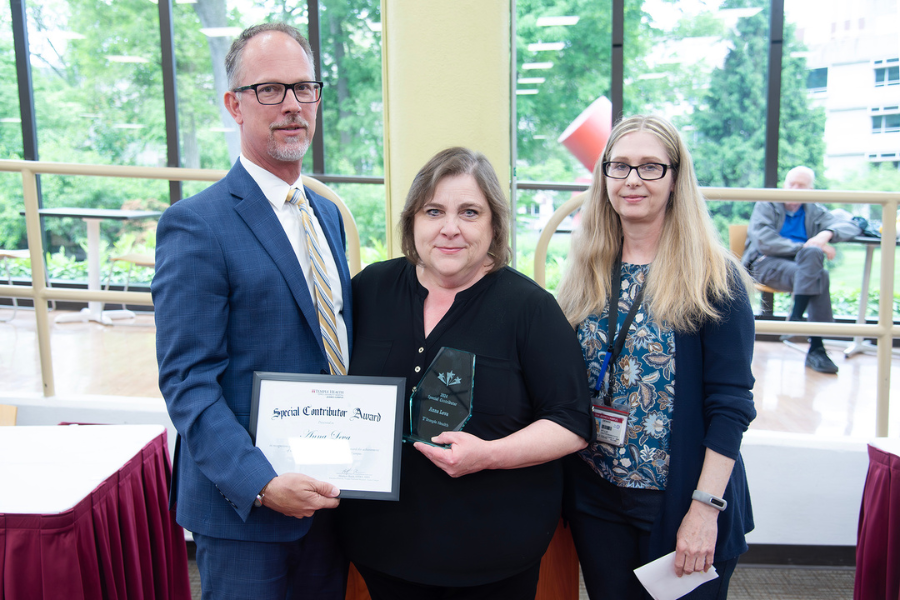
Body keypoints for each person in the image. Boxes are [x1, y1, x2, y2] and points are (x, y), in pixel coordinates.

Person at [336, 147, 591, 600]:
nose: (450, 227)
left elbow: (571, 423)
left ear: (493, 225)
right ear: (412, 222)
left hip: (490, 559)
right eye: (434, 211)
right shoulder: (371, 289)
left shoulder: (529, 309)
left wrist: (489, 454)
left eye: (469, 212)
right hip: (380, 548)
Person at [152, 23, 352, 599]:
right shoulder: (197, 224)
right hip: (244, 511)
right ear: (234, 105)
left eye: (303, 88)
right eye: (270, 90)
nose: (291, 105)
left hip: (327, 496)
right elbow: (188, 383)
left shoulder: (326, 214)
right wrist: (263, 484)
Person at [557, 114, 757, 599]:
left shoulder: (713, 278)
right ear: (603, 176)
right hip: (597, 496)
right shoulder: (587, 269)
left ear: (675, 178)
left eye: (650, 167)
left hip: (682, 500)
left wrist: (705, 509)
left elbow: (731, 404)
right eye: (619, 166)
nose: (632, 180)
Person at [742, 166, 861, 374]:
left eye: (801, 186)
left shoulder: (814, 211)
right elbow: (764, 241)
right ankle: (816, 347)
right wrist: (807, 246)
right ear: (784, 185)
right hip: (765, 264)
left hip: (800, 268)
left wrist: (825, 235)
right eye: (792, 184)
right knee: (817, 266)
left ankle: (796, 320)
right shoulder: (767, 202)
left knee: (816, 264)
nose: (795, 189)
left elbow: (853, 226)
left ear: (811, 190)